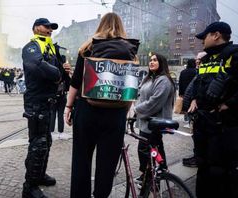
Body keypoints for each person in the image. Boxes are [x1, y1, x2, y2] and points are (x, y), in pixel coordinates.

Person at [64, 13, 139, 198]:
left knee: (81, 159)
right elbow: (129, 87)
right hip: (115, 114)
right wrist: (125, 110)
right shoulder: (130, 50)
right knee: (107, 163)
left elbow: (75, 81)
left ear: (101, 25)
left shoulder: (88, 47)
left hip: (87, 111)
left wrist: (68, 107)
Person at [21, 17, 71, 198]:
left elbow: (61, 75)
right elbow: (35, 65)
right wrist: (58, 73)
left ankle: (39, 175)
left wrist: (65, 70)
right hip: (36, 102)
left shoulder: (51, 48)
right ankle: (30, 187)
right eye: (46, 26)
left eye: (52, 27)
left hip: (49, 101)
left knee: (45, 141)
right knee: (38, 144)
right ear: (36, 28)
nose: (50, 29)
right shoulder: (31, 47)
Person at [188, 21, 238, 198]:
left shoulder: (234, 55)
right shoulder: (207, 58)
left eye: (205, 37)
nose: (203, 41)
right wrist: (194, 98)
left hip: (223, 127)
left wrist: (229, 104)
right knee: (203, 168)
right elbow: (198, 83)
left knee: (221, 173)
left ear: (216, 35)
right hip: (204, 125)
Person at [134, 53, 175, 184]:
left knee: (146, 149)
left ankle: (150, 178)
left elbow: (155, 102)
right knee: (155, 148)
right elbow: (141, 96)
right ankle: (158, 173)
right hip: (147, 122)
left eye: (155, 60)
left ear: (161, 63)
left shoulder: (163, 80)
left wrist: (136, 110)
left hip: (154, 123)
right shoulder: (149, 78)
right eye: (150, 60)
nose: (151, 62)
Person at [178, 59, 197, 123]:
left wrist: (180, 93)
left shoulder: (183, 72)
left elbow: (180, 83)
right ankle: (191, 119)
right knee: (192, 105)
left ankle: (186, 119)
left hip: (184, 92)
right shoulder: (195, 71)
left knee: (185, 105)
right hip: (192, 92)